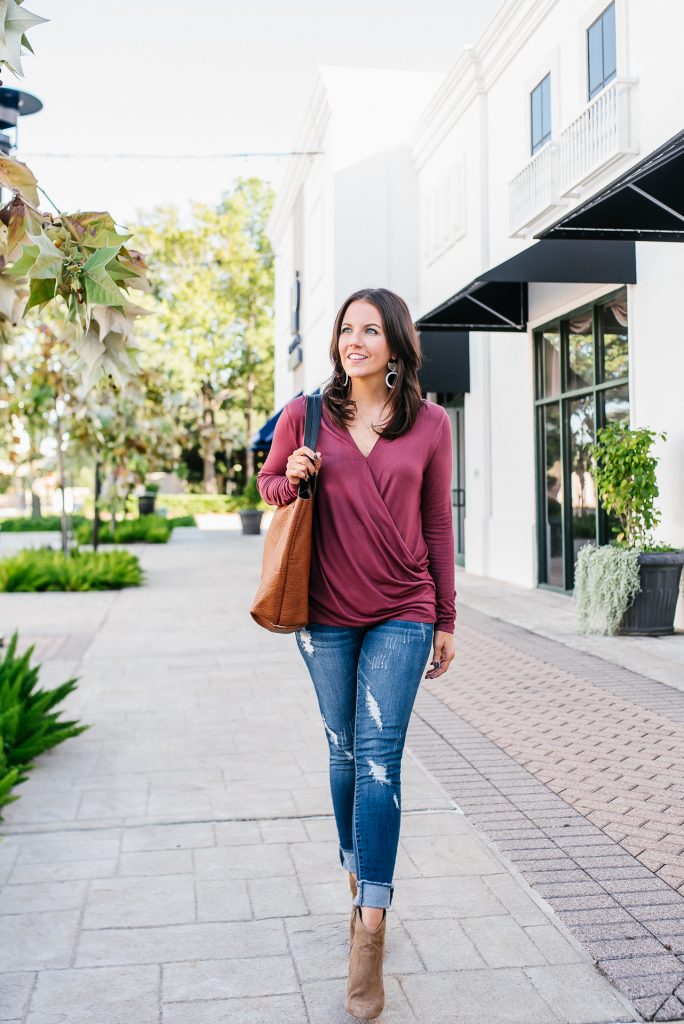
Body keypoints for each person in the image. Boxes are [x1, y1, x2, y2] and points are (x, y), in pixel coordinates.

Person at [256, 287, 456, 1020]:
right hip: (325, 612)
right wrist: (294, 476)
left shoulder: (430, 423)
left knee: (380, 758)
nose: (355, 341)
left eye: (370, 331)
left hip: (404, 610)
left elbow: (438, 522)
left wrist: (446, 616)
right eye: (347, 329)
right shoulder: (304, 414)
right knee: (342, 750)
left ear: (397, 346)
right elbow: (269, 484)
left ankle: (370, 925)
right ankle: (356, 871)